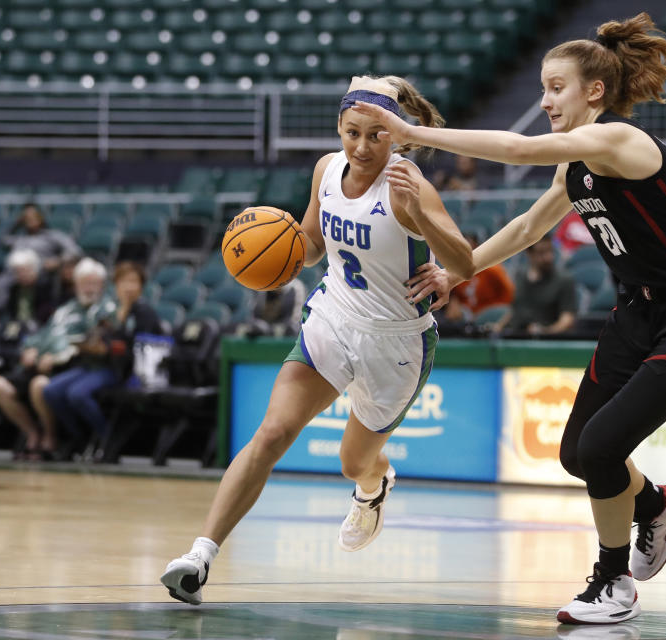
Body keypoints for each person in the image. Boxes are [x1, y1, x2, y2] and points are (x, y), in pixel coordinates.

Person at [353, 13, 666, 625]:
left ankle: (613, 585)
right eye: (541, 87)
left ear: (594, 91)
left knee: (602, 446)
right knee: (576, 453)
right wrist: (460, 271)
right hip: (639, 311)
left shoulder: (620, 141)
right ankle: (658, 504)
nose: (543, 101)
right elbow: (527, 227)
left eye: (555, 87)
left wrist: (414, 132)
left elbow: (515, 150)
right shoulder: (578, 165)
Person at [160, 75, 473, 606]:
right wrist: (270, 241)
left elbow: (464, 263)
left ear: (395, 136)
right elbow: (308, 247)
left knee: (354, 462)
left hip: (396, 341)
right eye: (353, 133)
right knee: (273, 432)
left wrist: (421, 217)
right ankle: (200, 554)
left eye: (377, 136)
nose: (363, 146)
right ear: (339, 128)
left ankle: (373, 486)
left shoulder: (408, 185)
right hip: (333, 315)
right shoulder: (327, 170)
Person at [0, 257, 115, 460]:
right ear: (76, 284)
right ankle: (33, 432)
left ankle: (57, 437)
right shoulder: (65, 309)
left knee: (45, 387)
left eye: (93, 283)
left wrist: (54, 357)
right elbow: (44, 333)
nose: (89, 288)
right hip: (38, 364)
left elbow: (83, 343)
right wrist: (30, 349)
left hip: (67, 366)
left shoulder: (104, 309)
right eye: (84, 282)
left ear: (102, 284)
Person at [42, 261, 158, 447]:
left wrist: (109, 349)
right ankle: (78, 437)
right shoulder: (107, 309)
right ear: (115, 285)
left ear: (141, 286)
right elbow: (96, 333)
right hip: (93, 364)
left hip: (123, 370)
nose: (128, 287)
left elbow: (140, 347)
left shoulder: (144, 313)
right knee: (50, 390)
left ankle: (106, 437)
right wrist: (89, 345)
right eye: (124, 282)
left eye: (133, 282)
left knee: (77, 394)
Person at [498, 234, 577, 338]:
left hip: (546, 343)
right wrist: (498, 327)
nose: (548, 257)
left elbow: (567, 320)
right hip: (516, 339)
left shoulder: (564, 280)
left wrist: (544, 332)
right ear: (529, 253)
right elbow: (514, 310)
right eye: (542, 253)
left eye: (550, 251)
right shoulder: (520, 276)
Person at [443, 231, 515, 330]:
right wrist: (454, 305)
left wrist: (493, 310)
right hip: (466, 317)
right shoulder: (455, 271)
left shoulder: (493, 269)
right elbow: (455, 298)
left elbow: (509, 294)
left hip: (489, 314)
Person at [0, 248, 58, 330]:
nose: (21, 276)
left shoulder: (45, 288)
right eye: (18, 272)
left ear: (34, 269)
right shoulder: (12, 289)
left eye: (25, 271)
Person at [3, 203, 81, 275]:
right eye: (26, 217)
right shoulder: (19, 239)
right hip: (13, 276)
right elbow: (4, 240)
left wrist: (58, 261)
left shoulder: (52, 236)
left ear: (41, 217)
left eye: (33, 216)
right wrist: (17, 223)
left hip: (41, 275)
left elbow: (75, 251)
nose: (30, 219)